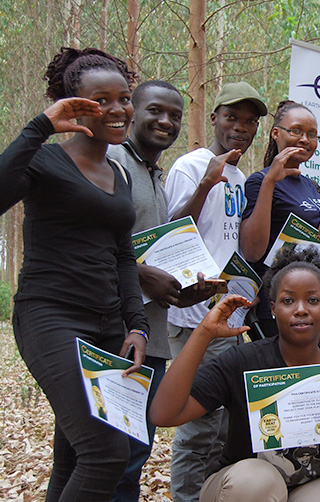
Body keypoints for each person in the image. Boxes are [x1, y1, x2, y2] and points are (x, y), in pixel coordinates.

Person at [0, 47, 147, 501]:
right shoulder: (44, 161)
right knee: (105, 453)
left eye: (124, 98)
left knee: (73, 455)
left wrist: (137, 325)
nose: (119, 109)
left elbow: (122, 256)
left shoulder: (119, 173)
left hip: (107, 328)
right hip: (52, 319)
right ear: (75, 104)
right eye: (102, 100)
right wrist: (40, 126)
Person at [150, 246, 320, 502]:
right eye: (288, 300)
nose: (300, 309)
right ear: (272, 308)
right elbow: (163, 414)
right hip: (241, 487)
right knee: (259, 481)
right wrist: (205, 332)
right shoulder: (244, 361)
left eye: (312, 300)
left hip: (306, 487)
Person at [107, 80, 217, 502]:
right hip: (114, 332)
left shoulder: (154, 174)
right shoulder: (113, 161)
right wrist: (140, 274)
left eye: (174, 114)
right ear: (132, 111)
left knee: (135, 450)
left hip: (151, 334)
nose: (166, 121)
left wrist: (178, 290)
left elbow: (151, 255)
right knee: (111, 454)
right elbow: (94, 244)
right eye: (155, 110)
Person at [164, 81, 268, 502]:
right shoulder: (190, 167)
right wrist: (206, 183)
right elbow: (169, 236)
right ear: (214, 118)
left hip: (226, 314)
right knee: (199, 423)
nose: (240, 128)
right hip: (191, 319)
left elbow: (229, 245)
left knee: (223, 420)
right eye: (232, 118)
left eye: (250, 122)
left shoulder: (240, 174)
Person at [240, 100, 320, 333]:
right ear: (276, 133)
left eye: (312, 134)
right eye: (296, 131)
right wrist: (269, 182)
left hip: (311, 300)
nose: (305, 139)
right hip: (277, 304)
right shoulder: (259, 181)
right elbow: (252, 250)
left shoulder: (313, 187)